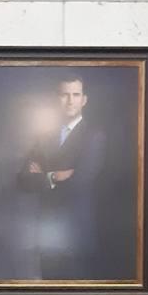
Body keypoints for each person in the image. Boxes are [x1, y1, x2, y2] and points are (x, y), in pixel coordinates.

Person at [13, 74, 109, 281]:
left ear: (84, 99)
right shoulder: (45, 137)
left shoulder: (95, 135)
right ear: (56, 98)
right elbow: (22, 180)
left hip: (77, 236)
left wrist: (43, 175)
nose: (70, 100)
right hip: (48, 236)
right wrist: (55, 176)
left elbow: (80, 182)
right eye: (64, 95)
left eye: (76, 94)